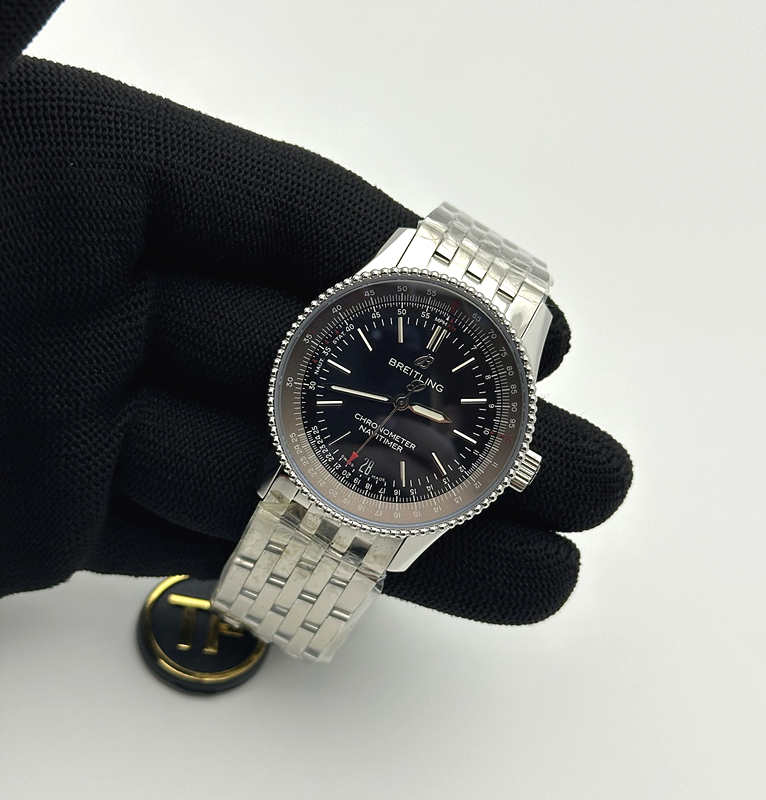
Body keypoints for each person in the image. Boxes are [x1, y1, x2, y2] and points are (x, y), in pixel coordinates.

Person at [0, 0, 631, 627]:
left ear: (510, 465)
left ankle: (283, 611)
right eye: (406, 400)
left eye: (424, 407)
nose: (404, 405)